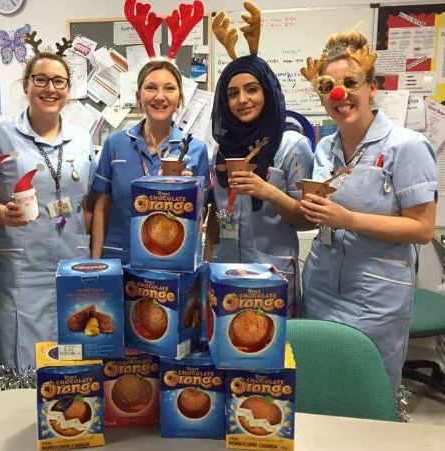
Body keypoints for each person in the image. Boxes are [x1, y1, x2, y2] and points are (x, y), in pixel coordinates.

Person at [299, 31, 437, 394]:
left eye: (349, 83)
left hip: (375, 296)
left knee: (366, 394)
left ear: (371, 87)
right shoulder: (325, 148)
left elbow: (422, 229)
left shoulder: (406, 147)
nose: (339, 94)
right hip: (320, 287)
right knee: (322, 388)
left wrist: (349, 220)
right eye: (328, 86)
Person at [0, 50, 96, 384]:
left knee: (70, 348)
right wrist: (2, 212)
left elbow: (86, 203)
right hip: (18, 270)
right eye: (40, 79)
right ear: (25, 85)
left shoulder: (82, 139)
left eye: (59, 81)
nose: (50, 88)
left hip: (72, 262)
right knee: (20, 360)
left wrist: (94, 260)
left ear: (69, 89)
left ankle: (65, 426)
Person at [206, 4, 314, 317]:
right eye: (232, 93)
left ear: (267, 91)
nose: (242, 100)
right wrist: (207, 258)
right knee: (228, 354)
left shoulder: (292, 146)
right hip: (225, 272)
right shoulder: (222, 149)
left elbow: (307, 219)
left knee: (273, 355)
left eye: (252, 89)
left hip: (272, 273)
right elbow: (217, 213)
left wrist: (268, 191)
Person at [90, 60, 210, 264]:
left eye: (169, 88)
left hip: (171, 261)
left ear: (180, 98)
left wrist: (188, 192)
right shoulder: (115, 144)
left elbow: (203, 212)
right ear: (138, 96)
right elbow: (101, 206)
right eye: (151, 88)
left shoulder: (195, 149)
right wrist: (96, 263)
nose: (160, 96)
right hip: (118, 259)